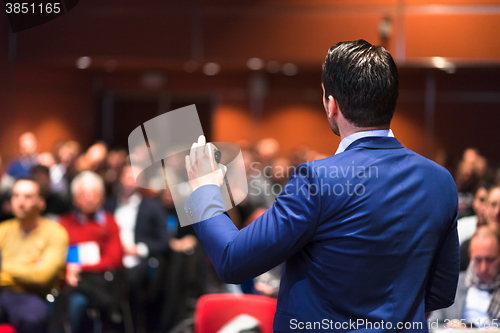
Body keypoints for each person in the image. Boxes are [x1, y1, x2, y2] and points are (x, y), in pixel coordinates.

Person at [184, 40, 459, 332]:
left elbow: (232, 259)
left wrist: (204, 191)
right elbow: (440, 291)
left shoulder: (317, 180)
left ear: (332, 105)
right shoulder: (440, 181)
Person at [104, 164, 169, 331]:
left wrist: (138, 249)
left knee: (130, 280)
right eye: (126, 177)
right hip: (112, 258)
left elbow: (164, 241)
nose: (129, 182)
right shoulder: (109, 206)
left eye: (134, 178)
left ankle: (128, 322)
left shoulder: (152, 206)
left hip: (139, 259)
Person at [0, 179, 68, 333]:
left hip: (35, 296)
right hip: (3, 293)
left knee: (31, 319)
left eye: (28, 197)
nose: (20, 202)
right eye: (16, 196)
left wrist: (3, 268)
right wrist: (29, 267)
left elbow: (43, 277)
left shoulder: (55, 233)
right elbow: (35, 273)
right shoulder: (2, 230)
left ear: (41, 202)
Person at [59, 171, 123, 333]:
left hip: (99, 281)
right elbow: (57, 256)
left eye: (95, 194)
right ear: (74, 198)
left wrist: (80, 267)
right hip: (68, 280)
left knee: (82, 300)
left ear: (102, 198)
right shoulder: (63, 224)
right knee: (72, 301)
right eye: (84, 194)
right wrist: (68, 269)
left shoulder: (110, 223)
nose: (89, 198)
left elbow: (114, 259)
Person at [429, 225, 500, 326]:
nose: (483, 268)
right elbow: (432, 325)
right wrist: (449, 327)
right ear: (470, 255)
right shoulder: (452, 285)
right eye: (478, 260)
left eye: (490, 260)